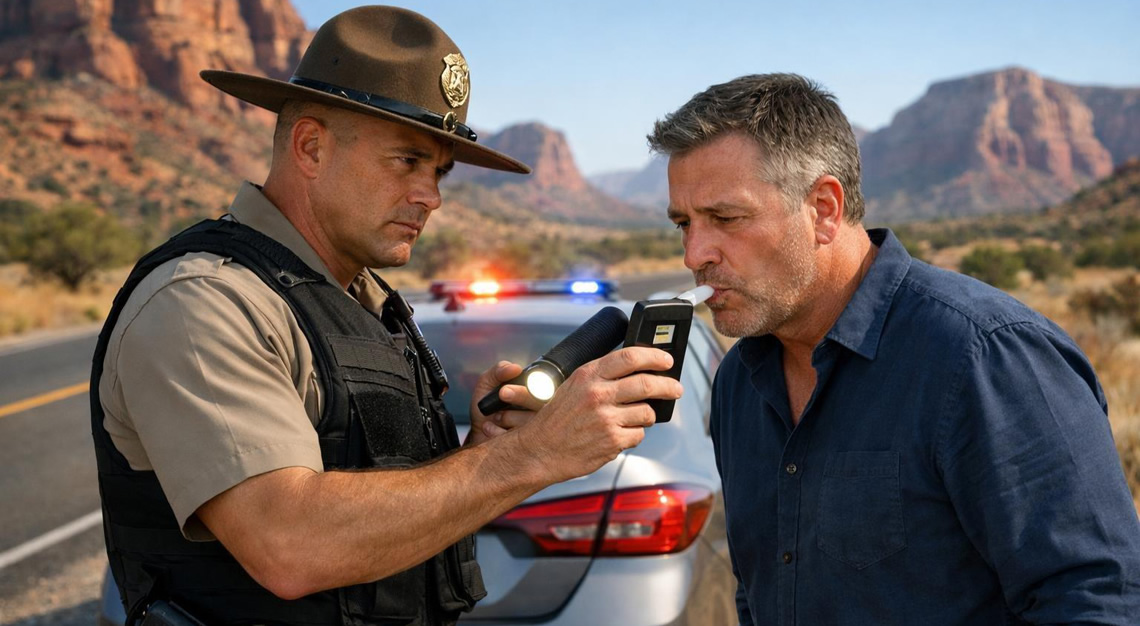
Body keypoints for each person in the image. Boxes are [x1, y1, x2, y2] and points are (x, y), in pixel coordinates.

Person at [90, 6, 681, 625]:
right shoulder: (205, 301)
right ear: (311, 147)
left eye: (438, 171)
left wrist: (488, 447)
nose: (432, 196)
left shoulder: (363, 302)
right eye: (406, 161)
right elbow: (288, 544)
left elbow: (373, 487)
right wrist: (528, 459)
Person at [649, 73, 1140, 625]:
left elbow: (1098, 598)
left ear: (824, 210)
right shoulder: (740, 378)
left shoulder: (985, 356)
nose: (695, 253)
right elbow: (759, 591)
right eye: (684, 224)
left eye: (726, 218)